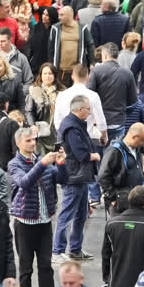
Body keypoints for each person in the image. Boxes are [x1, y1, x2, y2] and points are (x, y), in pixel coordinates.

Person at [10, 126, 62, 287]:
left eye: (34, 140)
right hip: (24, 223)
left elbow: (62, 179)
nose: (33, 143)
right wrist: (43, 164)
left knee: (46, 266)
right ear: (18, 143)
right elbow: (24, 182)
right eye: (28, 140)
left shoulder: (41, 160)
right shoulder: (14, 164)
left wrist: (62, 165)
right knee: (25, 268)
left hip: (44, 221)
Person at [54, 96, 100, 262]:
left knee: (81, 214)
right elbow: (80, 153)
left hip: (80, 177)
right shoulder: (72, 127)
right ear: (79, 109)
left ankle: (75, 249)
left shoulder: (75, 124)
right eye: (88, 108)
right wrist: (94, 156)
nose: (90, 111)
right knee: (66, 215)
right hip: (74, 176)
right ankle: (57, 251)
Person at [88, 42, 139, 142]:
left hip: (98, 122)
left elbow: (89, 97)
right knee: (114, 154)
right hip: (118, 121)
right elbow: (133, 103)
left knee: (99, 155)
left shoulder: (96, 71)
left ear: (105, 55)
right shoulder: (127, 73)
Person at [98, 125, 144, 216]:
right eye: (142, 140)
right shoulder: (115, 151)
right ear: (134, 137)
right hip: (121, 203)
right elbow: (103, 176)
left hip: (135, 201)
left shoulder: (136, 148)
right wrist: (113, 198)